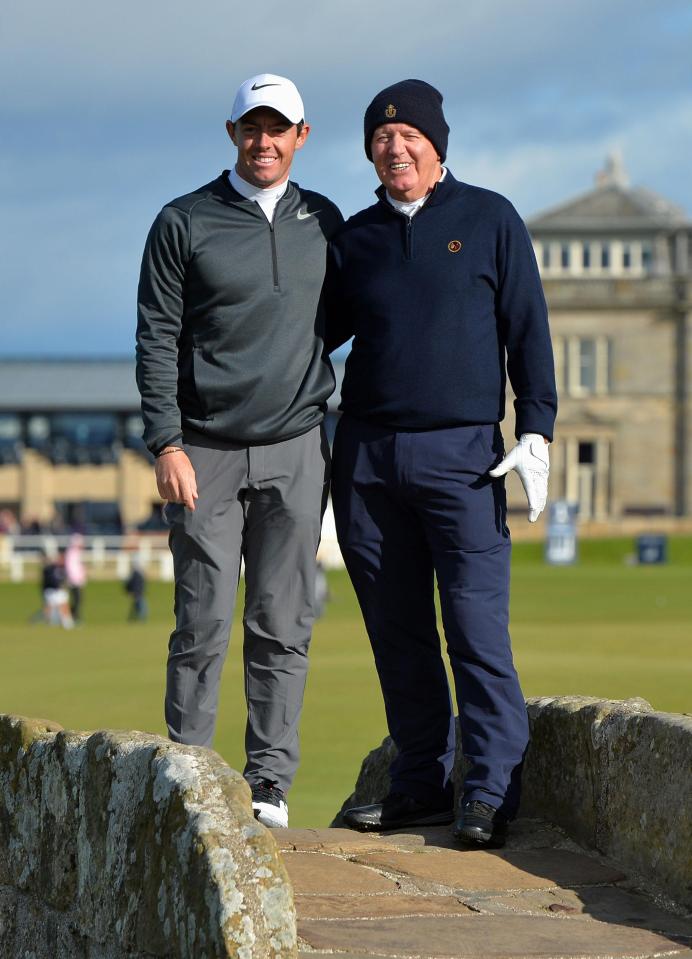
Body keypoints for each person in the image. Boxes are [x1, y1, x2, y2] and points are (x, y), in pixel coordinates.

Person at [327, 80, 557, 847]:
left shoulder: (490, 218)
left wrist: (538, 428)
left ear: (437, 143)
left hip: (464, 459)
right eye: (382, 140)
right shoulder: (354, 239)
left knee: (475, 626)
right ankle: (420, 782)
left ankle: (490, 789)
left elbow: (527, 327)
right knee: (398, 633)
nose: (396, 148)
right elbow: (305, 342)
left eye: (409, 136)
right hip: (366, 459)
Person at [136, 74, 342, 828]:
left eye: (277, 128)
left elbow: (354, 315)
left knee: (283, 623)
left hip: (295, 448)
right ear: (232, 134)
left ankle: (271, 789)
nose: (264, 141)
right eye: (251, 128)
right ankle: (190, 772)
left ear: (302, 136)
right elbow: (155, 335)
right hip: (205, 451)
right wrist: (165, 439)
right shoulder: (182, 220)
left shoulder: (324, 219)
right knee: (203, 620)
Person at [64, 533, 87, 623]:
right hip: (74, 581)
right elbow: (71, 568)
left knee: (78, 600)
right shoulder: (72, 553)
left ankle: (74, 616)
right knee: (77, 599)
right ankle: (73, 616)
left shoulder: (76, 552)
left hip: (77, 580)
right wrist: (75, 579)